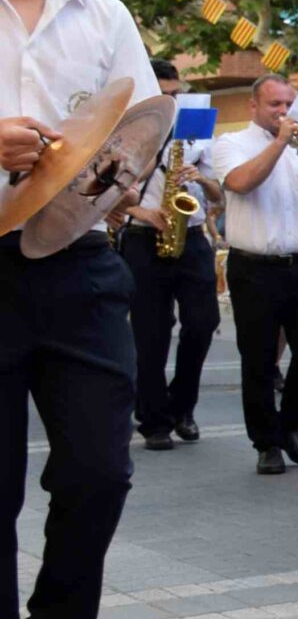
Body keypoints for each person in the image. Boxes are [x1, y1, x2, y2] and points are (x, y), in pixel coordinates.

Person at [0, 0, 159, 619]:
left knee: (99, 474)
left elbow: (139, 122)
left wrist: (119, 174)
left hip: (83, 266)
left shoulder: (104, 13)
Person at [208, 74, 298, 475]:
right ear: (253, 107)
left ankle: (290, 427)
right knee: (260, 361)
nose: (284, 112)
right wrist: (281, 142)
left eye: (288, 105)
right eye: (275, 105)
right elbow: (240, 183)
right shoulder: (231, 144)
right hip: (255, 268)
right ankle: (266, 442)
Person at [120, 58, 221, 451]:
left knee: (202, 322)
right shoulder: (131, 129)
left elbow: (218, 195)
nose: (173, 101)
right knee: (150, 335)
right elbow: (101, 185)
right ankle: (154, 420)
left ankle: (182, 406)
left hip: (191, 234)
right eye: (164, 95)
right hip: (144, 237)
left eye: (176, 94)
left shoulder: (196, 122)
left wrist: (203, 180)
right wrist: (139, 209)